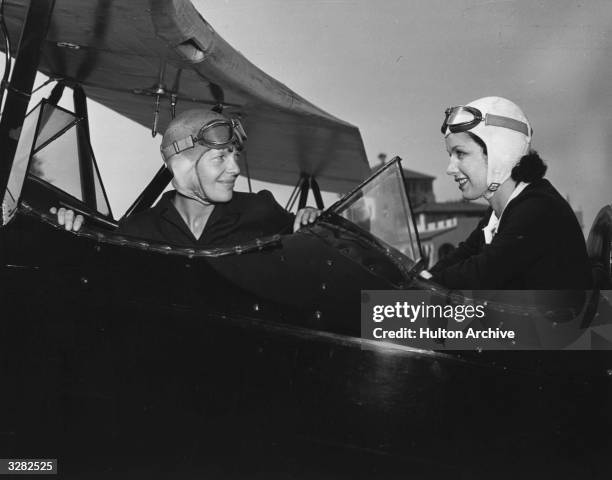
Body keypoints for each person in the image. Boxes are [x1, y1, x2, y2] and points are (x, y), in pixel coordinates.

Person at [51, 109, 321, 246]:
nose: (235, 169)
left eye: (235, 156)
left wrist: (317, 225)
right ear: (182, 166)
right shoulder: (138, 231)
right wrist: (69, 237)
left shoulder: (260, 211)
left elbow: (346, 265)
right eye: (220, 158)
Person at [427, 96, 592, 290]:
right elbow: (463, 255)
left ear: (500, 152)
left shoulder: (537, 209)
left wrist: (421, 286)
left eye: (460, 154)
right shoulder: (500, 212)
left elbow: (482, 272)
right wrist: (423, 278)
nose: (450, 168)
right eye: (450, 156)